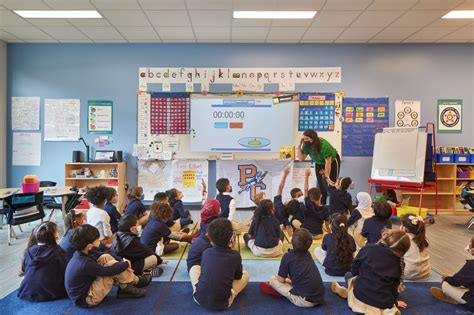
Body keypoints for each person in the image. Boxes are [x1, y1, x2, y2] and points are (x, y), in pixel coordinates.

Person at [64, 224, 150, 307]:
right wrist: (126, 264)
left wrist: (122, 260)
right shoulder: (85, 264)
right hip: (86, 299)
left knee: (105, 257)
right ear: (89, 246)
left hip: (86, 289)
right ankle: (135, 282)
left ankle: (126, 286)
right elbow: (108, 271)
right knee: (111, 267)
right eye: (97, 239)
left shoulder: (83, 252)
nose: (100, 240)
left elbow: (104, 253)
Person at [331, 229, 411, 314]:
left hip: (359, 297)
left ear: (387, 236)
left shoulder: (368, 248)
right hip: (382, 303)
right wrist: (395, 302)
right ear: (403, 251)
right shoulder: (399, 263)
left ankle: (348, 293)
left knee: (348, 275)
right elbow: (394, 289)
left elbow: (354, 270)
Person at [191, 218, 249, 310]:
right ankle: (230, 293)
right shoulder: (235, 255)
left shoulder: (206, 252)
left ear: (209, 237)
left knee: (194, 268)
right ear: (231, 237)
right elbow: (238, 277)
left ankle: (202, 291)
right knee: (246, 274)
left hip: (198, 299)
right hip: (224, 303)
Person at [260, 228, 325, 308]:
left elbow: (281, 280)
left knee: (273, 280)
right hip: (320, 297)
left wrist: (282, 279)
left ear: (291, 241)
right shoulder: (308, 254)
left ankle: (280, 291)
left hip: (304, 301)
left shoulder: (287, 257)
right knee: (291, 279)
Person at [18, 222, 67, 301]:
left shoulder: (28, 250)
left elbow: (24, 270)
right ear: (54, 235)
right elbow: (66, 272)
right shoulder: (58, 252)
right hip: (52, 292)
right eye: (57, 231)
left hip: (27, 290)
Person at [297, 129, 341, 205]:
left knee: (331, 184)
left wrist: (327, 177)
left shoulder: (324, 145)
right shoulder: (305, 145)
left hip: (332, 161)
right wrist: (299, 146)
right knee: (321, 186)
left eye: (307, 139)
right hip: (319, 162)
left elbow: (328, 162)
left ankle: (334, 206)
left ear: (313, 138)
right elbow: (301, 158)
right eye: (304, 138)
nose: (305, 140)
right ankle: (322, 205)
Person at [430, 236, 474, 312]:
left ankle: (455, 299)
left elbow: (455, 282)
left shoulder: (471, 265)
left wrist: (446, 279)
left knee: (445, 285)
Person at [295, 169, 329, 238]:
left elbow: (305, 190)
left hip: (306, 234)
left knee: (294, 221)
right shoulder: (325, 209)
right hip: (318, 235)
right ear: (321, 196)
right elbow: (327, 225)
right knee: (324, 224)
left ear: (310, 197)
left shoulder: (308, 203)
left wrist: (306, 176)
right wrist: (329, 233)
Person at [273, 167, 303, 237]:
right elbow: (290, 236)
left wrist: (285, 175)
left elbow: (280, 187)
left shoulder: (278, 204)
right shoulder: (286, 219)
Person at [400, 214, 431, 280]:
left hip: (408, 274)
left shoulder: (403, 239)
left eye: (401, 225)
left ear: (405, 228)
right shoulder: (423, 239)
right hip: (426, 273)